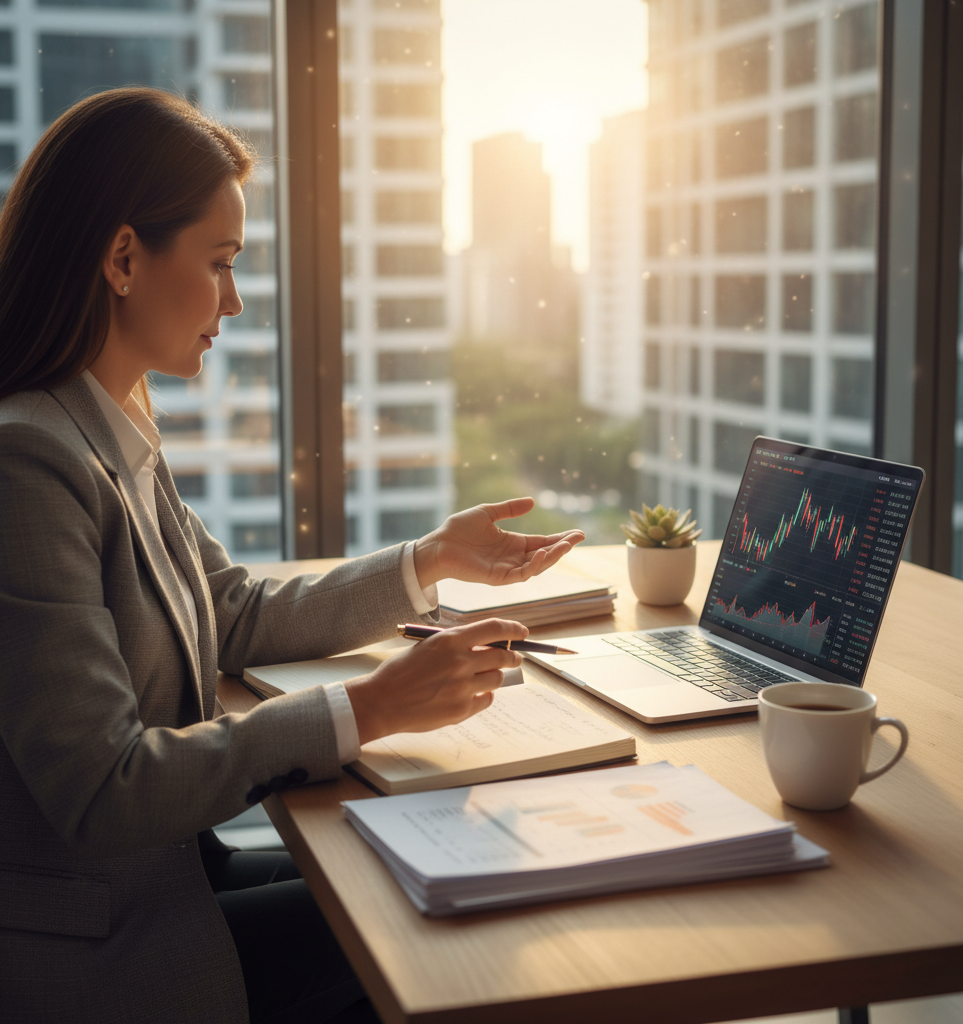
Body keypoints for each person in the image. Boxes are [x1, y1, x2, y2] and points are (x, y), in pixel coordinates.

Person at [0, 87, 584, 1024]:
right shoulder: (31, 459)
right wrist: (369, 706)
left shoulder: (108, 421)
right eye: (220, 263)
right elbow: (103, 790)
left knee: (425, 866)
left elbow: (229, 610)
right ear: (122, 258)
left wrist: (426, 561)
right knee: (438, 928)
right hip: (101, 946)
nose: (233, 299)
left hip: (177, 875)